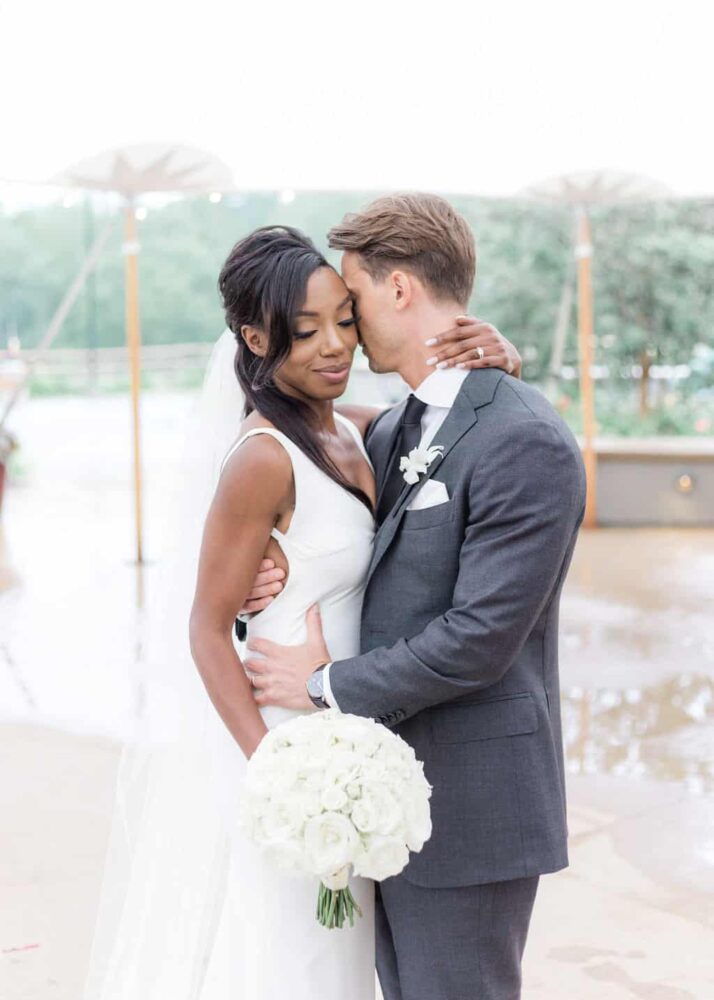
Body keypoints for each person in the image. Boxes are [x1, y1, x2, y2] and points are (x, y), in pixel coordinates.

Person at [83, 218, 521, 1000]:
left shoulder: (355, 432)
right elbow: (206, 629)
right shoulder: (260, 458)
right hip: (293, 751)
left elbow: (446, 431)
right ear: (254, 338)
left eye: (344, 322)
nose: (335, 347)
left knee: (341, 964)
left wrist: (499, 357)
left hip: (351, 744)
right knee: (292, 963)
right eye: (305, 331)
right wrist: (276, 770)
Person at [241, 194, 587, 1000]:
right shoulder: (397, 428)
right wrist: (286, 558)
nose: (344, 327)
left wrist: (323, 685)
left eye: (352, 300)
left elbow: (479, 638)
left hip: (473, 810)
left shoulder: (525, 439)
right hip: (385, 800)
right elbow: (281, 424)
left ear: (399, 289)